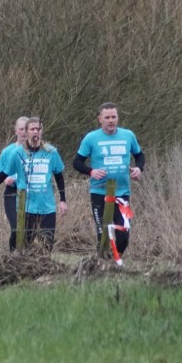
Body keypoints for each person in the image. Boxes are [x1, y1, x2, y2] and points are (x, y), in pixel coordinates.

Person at [0, 118, 67, 252]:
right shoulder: (17, 153)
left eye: (38, 129)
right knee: (23, 242)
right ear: (26, 132)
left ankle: (43, 265)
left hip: (47, 205)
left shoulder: (51, 152)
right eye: (32, 129)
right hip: (26, 205)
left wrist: (63, 200)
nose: (36, 132)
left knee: (47, 244)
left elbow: (59, 176)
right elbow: (2, 175)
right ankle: (15, 260)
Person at [72, 103, 144, 266]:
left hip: (122, 193)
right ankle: (102, 264)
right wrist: (91, 171)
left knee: (123, 233)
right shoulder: (91, 138)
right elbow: (77, 162)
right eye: (107, 117)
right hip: (99, 192)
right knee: (103, 233)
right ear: (100, 119)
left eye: (114, 117)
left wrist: (139, 168)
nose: (111, 120)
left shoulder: (128, 135)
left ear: (118, 118)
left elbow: (140, 155)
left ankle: (114, 260)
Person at [0, 117, 28, 251]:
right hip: (12, 193)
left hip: (31, 193)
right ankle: (12, 255)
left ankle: (26, 255)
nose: (24, 132)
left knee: (28, 228)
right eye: (21, 129)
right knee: (16, 227)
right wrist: (5, 179)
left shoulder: (36, 151)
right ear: (15, 131)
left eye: (26, 129)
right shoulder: (8, 151)